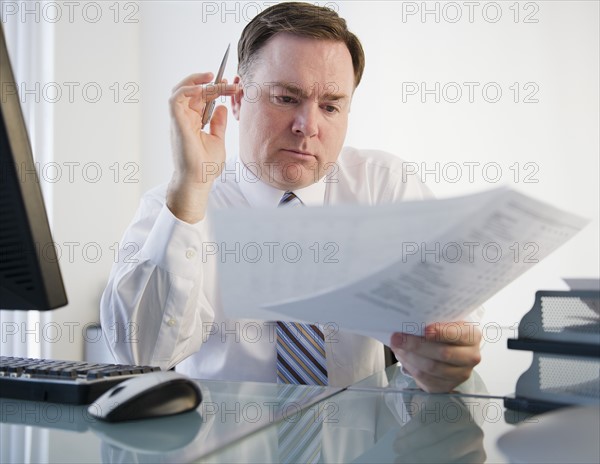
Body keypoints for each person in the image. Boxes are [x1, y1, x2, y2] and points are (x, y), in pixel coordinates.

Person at [101, 2, 481, 392]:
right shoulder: (178, 206)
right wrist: (190, 190)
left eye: (331, 106)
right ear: (236, 98)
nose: (308, 126)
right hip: (222, 445)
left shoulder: (386, 186)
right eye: (286, 98)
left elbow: (452, 313)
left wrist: (443, 350)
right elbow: (140, 355)